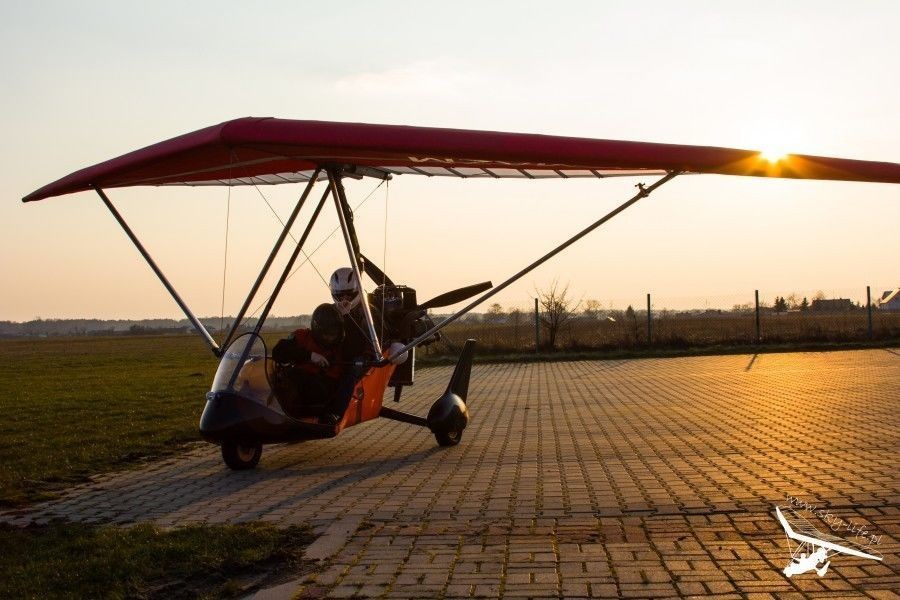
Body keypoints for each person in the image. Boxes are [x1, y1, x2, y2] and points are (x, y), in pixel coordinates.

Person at [320, 267, 407, 426]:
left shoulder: (368, 313)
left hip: (364, 359)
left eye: (349, 294)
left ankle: (335, 414)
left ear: (357, 292)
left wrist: (368, 356)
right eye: (340, 295)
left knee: (349, 371)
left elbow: (376, 341)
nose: (345, 298)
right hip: (339, 356)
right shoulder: (332, 311)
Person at [271, 303, 344, 419]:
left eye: (333, 335)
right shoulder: (302, 337)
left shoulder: (341, 347)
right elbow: (278, 351)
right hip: (295, 388)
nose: (330, 338)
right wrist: (310, 356)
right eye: (327, 335)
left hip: (321, 394)